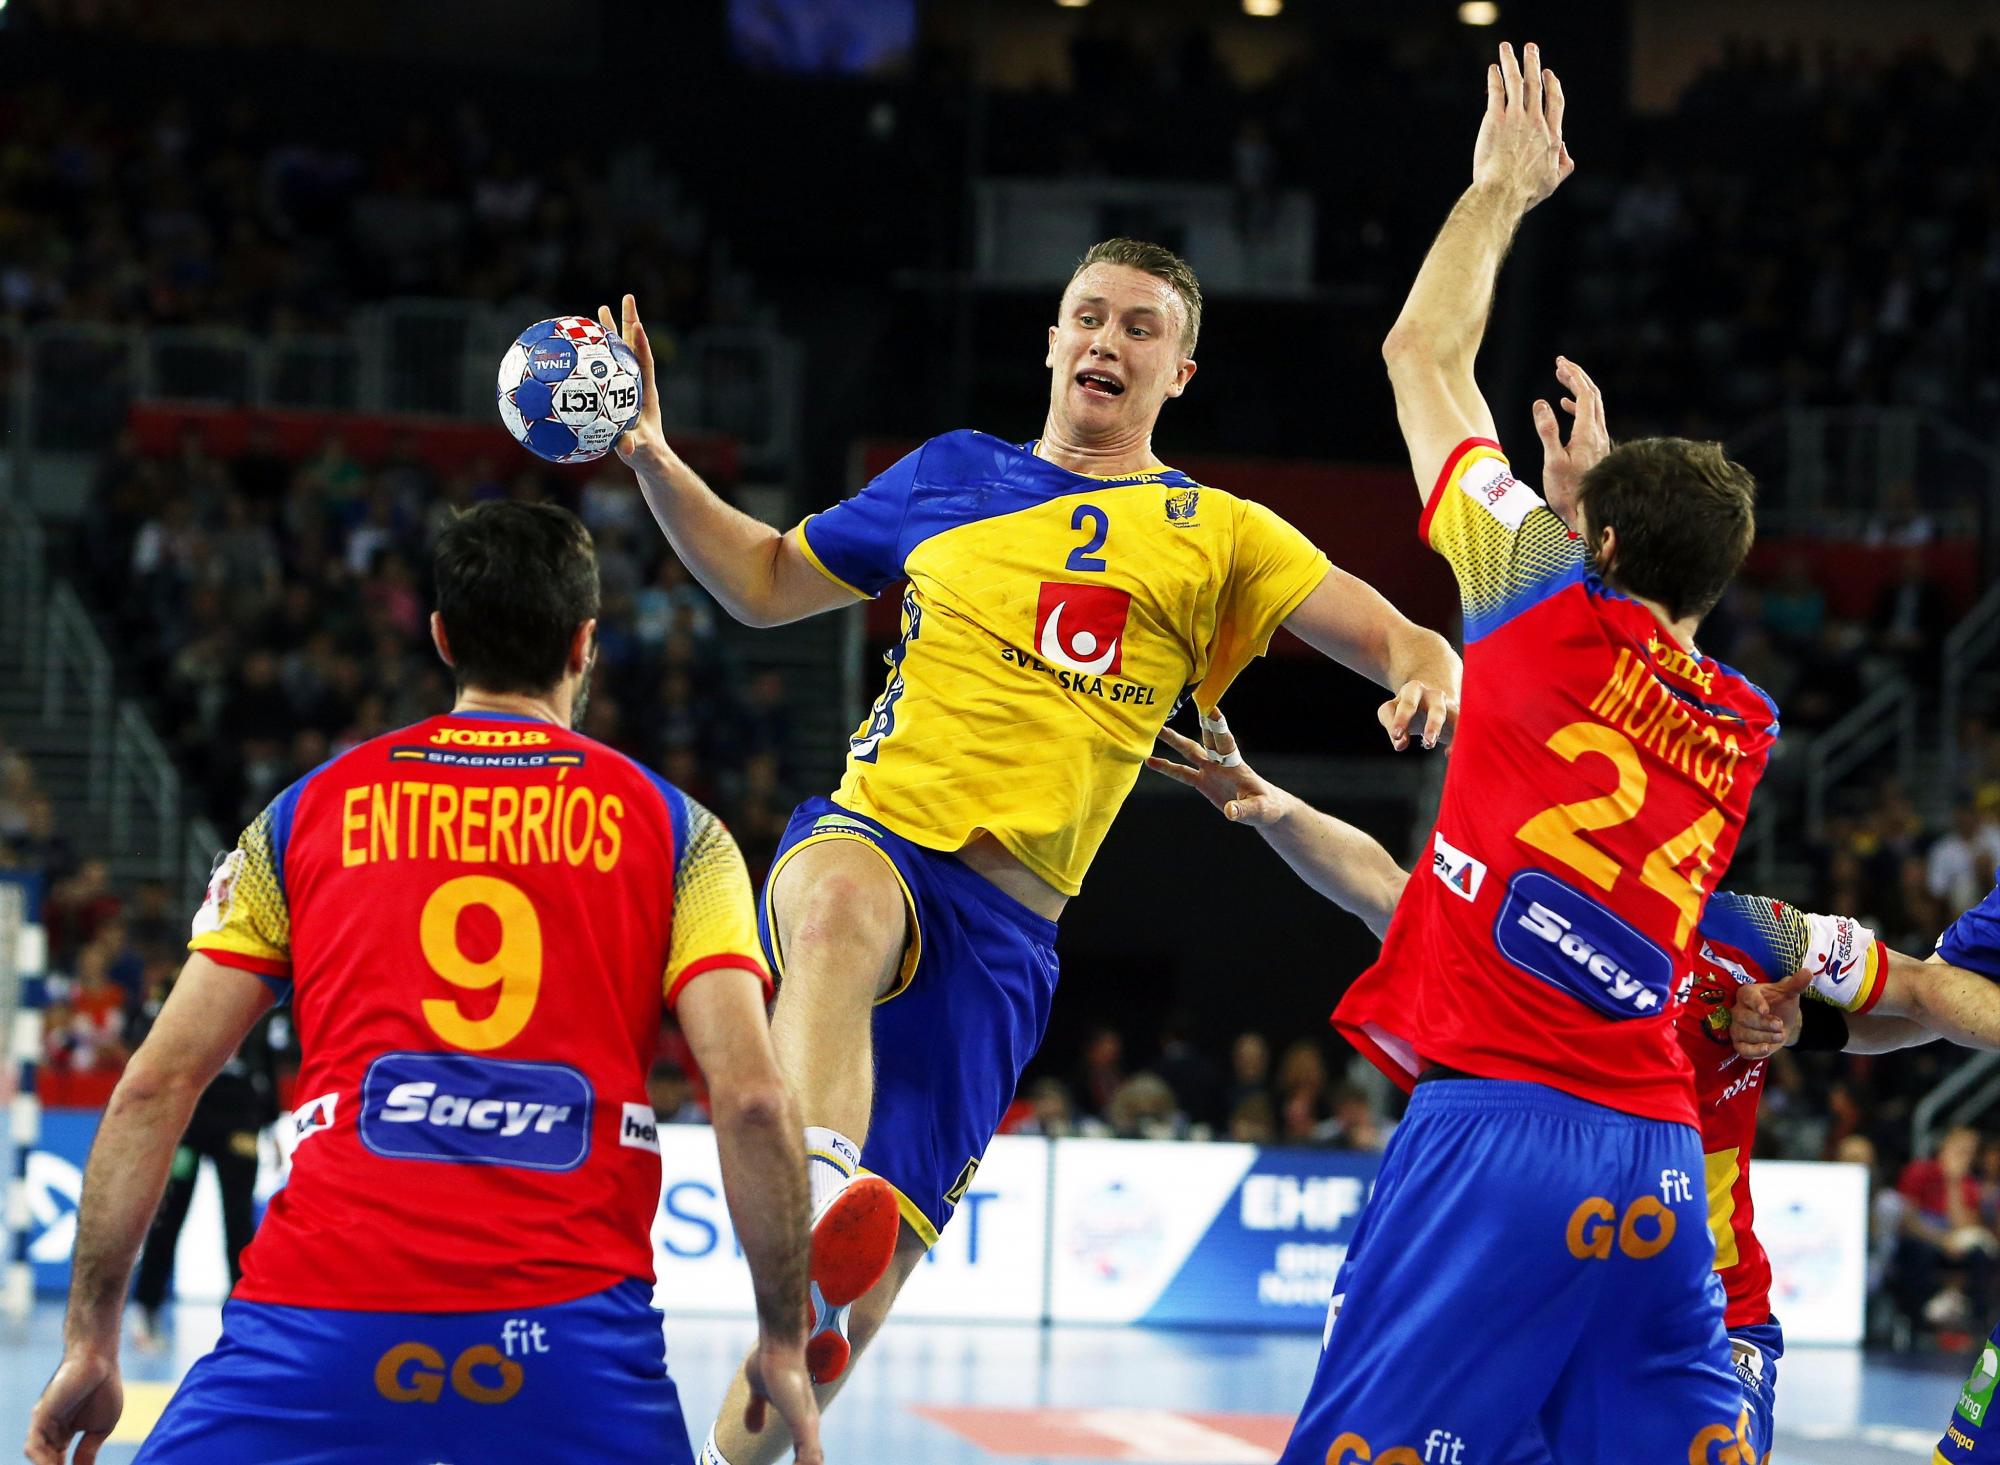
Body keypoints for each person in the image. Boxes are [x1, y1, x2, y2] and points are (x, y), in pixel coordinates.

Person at [600, 220, 1462, 1464]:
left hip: (1005, 937)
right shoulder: (948, 473)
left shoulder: (1218, 533)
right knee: (839, 909)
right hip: (874, 833)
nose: (1107, 340)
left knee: (835, 1329)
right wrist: (653, 460)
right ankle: (820, 1167)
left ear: (1178, 375)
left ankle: (749, 1413)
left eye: (1140, 328)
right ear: (1053, 338)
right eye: (1090, 316)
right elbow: (764, 581)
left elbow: (1394, 634)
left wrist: (1426, 672)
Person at [26, 502, 828, 1465]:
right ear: (585, 644)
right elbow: (748, 1100)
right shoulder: (683, 836)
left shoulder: (305, 814)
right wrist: (783, 1336)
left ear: (443, 637)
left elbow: (153, 1086)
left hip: (319, 1319)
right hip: (567, 1334)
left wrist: (91, 1338)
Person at [1246, 40, 1773, 1459]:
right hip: (1659, 1152)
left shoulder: (1537, 603)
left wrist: (1499, 193)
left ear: (1589, 543)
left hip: (1496, 1125)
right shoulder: (1745, 725)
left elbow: (1422, 355)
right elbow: (1646, 627)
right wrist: (1593, 509)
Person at [1154, 709, 2000, 1460]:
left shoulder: (1757, 934)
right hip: (1530, 1285)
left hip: (1707, 1312)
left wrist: (1800, 1025)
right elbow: (1382, 887)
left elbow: (1926, 991)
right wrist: (1280, 810)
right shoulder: (1522, 923)